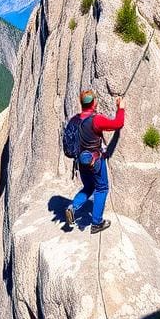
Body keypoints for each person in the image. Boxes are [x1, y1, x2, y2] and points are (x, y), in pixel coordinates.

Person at [65, 89, 124, 234]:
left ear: (81, 103)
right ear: (94, 103)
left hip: (81, 162)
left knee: (89, 187)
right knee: (101, 188)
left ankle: (72, 208)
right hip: (95, 161)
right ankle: (96, 222)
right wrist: (121, 108)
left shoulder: (75, 120)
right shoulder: (96, 120)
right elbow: (118, 124)